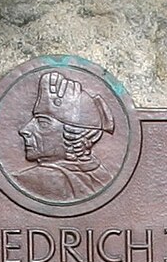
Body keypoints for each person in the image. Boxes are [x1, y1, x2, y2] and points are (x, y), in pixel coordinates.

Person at [12, 70, 120, 202]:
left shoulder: (30, 180)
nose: (24, 130)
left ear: (74, 135)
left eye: (43, 123)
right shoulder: (104, 178)